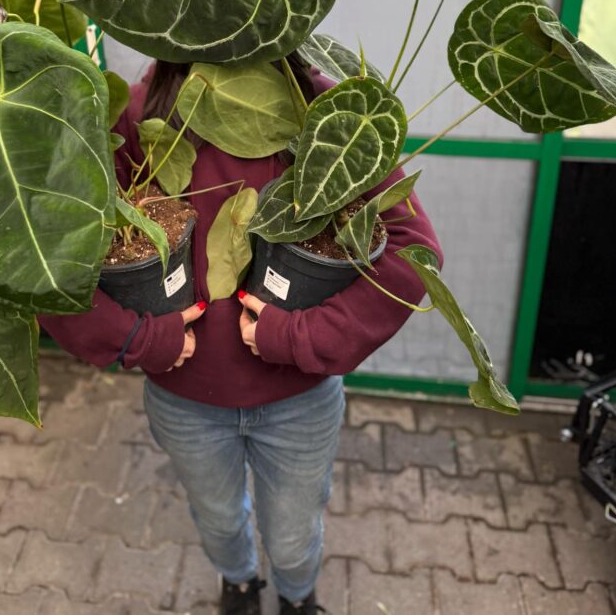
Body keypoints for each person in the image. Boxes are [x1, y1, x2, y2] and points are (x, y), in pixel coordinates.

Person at [39, 57, 443, 615]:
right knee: (219, 519)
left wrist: (299, 336)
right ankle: (238, 582)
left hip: (299, 400)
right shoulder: (136, 114)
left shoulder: (326, 114)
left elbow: (411, 251)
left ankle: (298, 597)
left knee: (295, 537)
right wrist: (137, 338)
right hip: (186, 401)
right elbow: (46, 263)